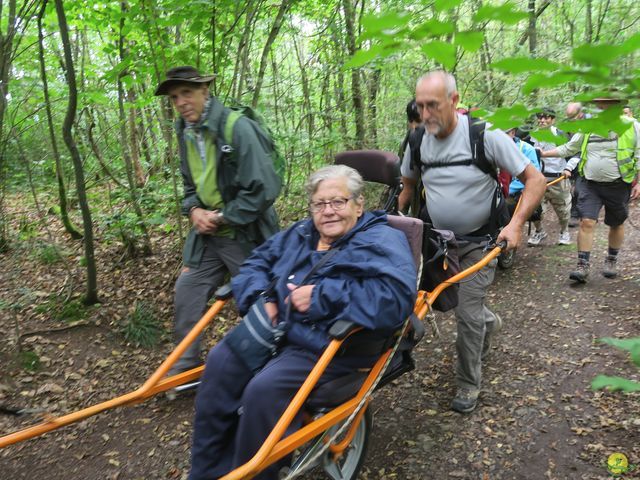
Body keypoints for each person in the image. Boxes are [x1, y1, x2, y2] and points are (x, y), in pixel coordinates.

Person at [189, 165, 418, 479]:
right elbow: (256, 262)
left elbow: (394, 299)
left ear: (359, 204)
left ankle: (254, 474)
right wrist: (261, 297)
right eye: (320, 204)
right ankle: (206, 471)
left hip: (327, 343)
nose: (328, 211)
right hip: (273, 330)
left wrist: (322, 296)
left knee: (262, 391)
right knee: (219, 364)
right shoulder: (300, 232)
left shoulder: (382, 239)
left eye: (338, 202)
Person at [397, 71, 546, 413]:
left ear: (454, 100)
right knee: (458, 309)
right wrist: (394, 217)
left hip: (482, 242)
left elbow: (535, 180)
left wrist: (516, 225)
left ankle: (467, 384)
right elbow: (407, 185)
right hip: (439, 243)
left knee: (466, 314)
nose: (425, 113)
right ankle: (487, 322)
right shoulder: (418, 141)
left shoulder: (485, 135)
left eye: (432, 105)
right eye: (420, 106)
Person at [155, 66, 282, 374]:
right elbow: (190, 186)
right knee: (188, 290)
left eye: (187, 93)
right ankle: (184, 371)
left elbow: (265, 187)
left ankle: (272, 368)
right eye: (175, 97)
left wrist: (225, 215)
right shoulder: (184, 131)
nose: (182, 102)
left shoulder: (236, 128)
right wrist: (194, 210)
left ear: (205, 91)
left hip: (245, 234)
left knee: (258, 301)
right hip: (208, 235)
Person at [541, 97, 640, 282]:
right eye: (600, 104)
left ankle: (611, 259)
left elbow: (639, 151)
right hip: (590, 184)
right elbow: (570, 147)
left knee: (616, 223)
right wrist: (544, 153)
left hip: (618, 184)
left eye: (608, 104)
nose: (603, 107)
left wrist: (639, 182)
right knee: (586, 221)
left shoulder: (632, 125)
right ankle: (582, 265)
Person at [528, 108, 573, 246]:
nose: (542, 120)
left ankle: (564, 232)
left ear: (553, 120)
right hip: (537, 179)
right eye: (540, 118)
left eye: (546, 118)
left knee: (563, 209)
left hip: (558, 178)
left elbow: (574, 153)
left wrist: (568, 168)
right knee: (533, 208)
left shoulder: (560, 135)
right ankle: (539, 231)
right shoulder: (531, 136)